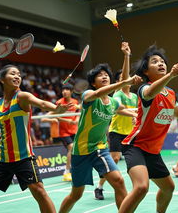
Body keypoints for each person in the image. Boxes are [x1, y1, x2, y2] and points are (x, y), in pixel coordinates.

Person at [0, 64, 73, 213]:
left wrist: (56, 109)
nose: (17, 77)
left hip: (24, 157)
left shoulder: (22, 97)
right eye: (12, 74)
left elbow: (42, 103)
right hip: (1, 158)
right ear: (2, 79)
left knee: (40, 192)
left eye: (19, 74)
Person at [119, 45, 178, 213]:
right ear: (146, 71)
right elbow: (150, 93)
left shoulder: (170, 92)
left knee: (168, 188)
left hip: (153, 151)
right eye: (155, 62)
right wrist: (171, 74)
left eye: (162, 61)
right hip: (136, 146)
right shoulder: (144, 88)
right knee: (141, 187)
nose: (161, 63)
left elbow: (175, 110)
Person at [59, 63, 141, 213]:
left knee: (119, 181)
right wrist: (124, 82)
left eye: (106, 74)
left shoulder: (113, 102)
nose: (104, 76)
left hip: (99, 148)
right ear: (93, 82)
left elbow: (122, 109)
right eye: (100, 75)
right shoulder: (88, 96)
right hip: (81, 150)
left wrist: (136, 114)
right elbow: (96, 94)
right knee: (76, 194)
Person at [94, 42, 138, 200]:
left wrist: (136, 118)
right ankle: (99, 187)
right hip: (117, 132)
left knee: (134, 161)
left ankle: (136, 187)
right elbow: (122, 110)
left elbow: (137, 113)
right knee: (114, 160)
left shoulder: (134, 97)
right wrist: (126, 55)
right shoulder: (118, 94)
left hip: (130, 133)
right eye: (121, 78)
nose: (124, 79)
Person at [55, 84, 79, 182]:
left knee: (75, 150)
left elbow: (78, 113)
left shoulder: (75, 102)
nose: (64, 91)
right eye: (63, 90)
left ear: (71, 92)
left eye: (67, 90)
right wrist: (68, 121)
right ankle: (66, 171)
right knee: (71, 147)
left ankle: (74, 170)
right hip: (64, 132)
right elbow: (56, 116)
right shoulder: (59, 102)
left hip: (74, 130)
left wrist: (76, 119)